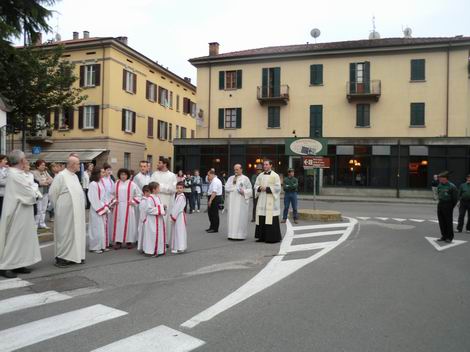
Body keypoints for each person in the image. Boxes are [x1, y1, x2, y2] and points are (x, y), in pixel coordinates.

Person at [0, 150, 41, 278]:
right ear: (20, 161)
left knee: (23, 239)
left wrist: (33, 188)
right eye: (24, 158)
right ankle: (5, 266)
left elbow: (31, 187)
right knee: (14, 239)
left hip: (23, 211)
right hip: (16, 212)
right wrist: (34, 189)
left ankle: (19, 263)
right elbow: (30, 193)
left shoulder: (19, 173)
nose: (25, 160)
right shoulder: (15, 174)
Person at [49, 155, 87, 267]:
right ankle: (62, 257)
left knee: (76, 233)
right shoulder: (61, 176)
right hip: (65, 213)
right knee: (64, 234)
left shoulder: (74, 176)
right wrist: (59, 208)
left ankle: (74, 256)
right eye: (78, 163)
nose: (79, 165)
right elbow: (53, 193)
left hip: (77, 212)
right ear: (71, 164)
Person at [111, 168, 141, 249]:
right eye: (121, 174)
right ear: (119, 175)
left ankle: (129, 241)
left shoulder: (132, 184)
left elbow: (139, 195)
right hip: (119, 207)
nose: (123, 176)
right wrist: (114, 201)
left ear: (127, 175)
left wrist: (133, 201)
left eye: (124, 174)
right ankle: (118, 241)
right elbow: (111, 194)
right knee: (118, 224)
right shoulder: (116, 183)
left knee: (129, 224)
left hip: (128, 207)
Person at [254, 160, 282, 243]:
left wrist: (267, 189)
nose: (265, 166)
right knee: (261, 217)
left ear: (271, 165)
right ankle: (261, 237)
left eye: (266, 164)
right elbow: (255, 185)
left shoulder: (275, 175)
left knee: (270, 217)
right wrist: (259, 188)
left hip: (270, 200)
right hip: (262, 199)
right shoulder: (260, 175)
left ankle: (272, 238)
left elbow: (278, 187)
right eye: (264, 165)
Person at [150, 158, 177, 246]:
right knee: (156, 220)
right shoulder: (154, 174)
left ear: (165, 164)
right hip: (156, 200)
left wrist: (159, 186)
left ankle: (165, 241)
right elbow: (151, 186)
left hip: (167, 200)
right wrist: (165, 187)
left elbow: (172, 189)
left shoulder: (172, 175)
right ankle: (155, 240)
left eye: (159, 163)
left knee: (166, 221)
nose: (157, 164)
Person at [87, 167, 113, 254]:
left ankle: (102, 245)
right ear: (97, 173)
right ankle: (94, 247)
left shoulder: (101, 183)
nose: (104, 173)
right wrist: (102, 208)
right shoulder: (93, 184)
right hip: (96, 209)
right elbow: (93, 198)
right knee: (96, 228)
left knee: (102, 228)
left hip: (102, 208)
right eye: (102, 172)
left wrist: (106, 205)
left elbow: (105, 196)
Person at [225, 164, 253, 240]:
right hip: (232, 202)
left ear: (241, 169)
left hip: (241, 202)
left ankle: (240, 235)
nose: (235, 171)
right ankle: (231, 235)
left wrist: (243, 191)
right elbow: (226, 187)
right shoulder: (231, 178)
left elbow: (250, 190)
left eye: (237, 169)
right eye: (234, 170)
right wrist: (233, 188)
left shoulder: (245, 179)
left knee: (240, 218)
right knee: (232, 217)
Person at [142, 182, 167, 256]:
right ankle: (151, 251)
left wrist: (163, 207)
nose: (159, 189)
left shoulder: (157, 197)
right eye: (158, 188)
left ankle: (159, 250)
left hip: (158, 219)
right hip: (152, 220)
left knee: (159, 234)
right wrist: (161, 208)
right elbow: (149, 209)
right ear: (154, 189)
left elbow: (159, 207)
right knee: (152, 235)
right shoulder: (150, 198)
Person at [436, 171, 458, 243]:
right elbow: (438, 194)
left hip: (448, 204)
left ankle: (449, 237)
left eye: (440, 178)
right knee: (441, 221)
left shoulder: (452, 186)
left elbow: (455, 199)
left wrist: (451, 206)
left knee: (448, 222)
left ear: (445, 178)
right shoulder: (440, 185)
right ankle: (444, 236)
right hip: (440, 204)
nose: (439, 179)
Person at [32, 160, 53, 229]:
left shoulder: (45, 172)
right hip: (39, 193)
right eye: (42, 165)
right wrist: (46, 181)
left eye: (44, 165)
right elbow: (39, 182)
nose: (44, 166)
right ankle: (36, 224)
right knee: (39, 209)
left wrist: (46, 181)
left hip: (46, 192)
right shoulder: (34, 172)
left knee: (44, 209)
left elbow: (51, 180)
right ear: (38, 166)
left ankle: (42, 223)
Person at [170, 181, 187, 253]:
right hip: (178, 215)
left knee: (179, 231)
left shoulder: (181, 197)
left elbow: (177, 207)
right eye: (177, 188)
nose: (179, 189)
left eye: (180, 188)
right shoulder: (178, 195)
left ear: (183, 189)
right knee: (178, 230)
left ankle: (180, 247)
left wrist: (173, 216)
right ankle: (179, 246)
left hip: (179, 215)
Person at [101, 163, 115, 246]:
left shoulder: (111, 180)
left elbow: (113, 192)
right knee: (104, 223)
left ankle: (109, 240)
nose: (109, 172)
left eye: (110, 170)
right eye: (107, 170)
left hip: (110, 203)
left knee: (110, 223)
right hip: (104, 203)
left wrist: (112, 201)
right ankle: (104, 241)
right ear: (104, 171)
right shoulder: (102, 180)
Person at [137, 185, 151, 252]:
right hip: (144, 220)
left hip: (148, 220)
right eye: (147, 192)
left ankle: (146, 247)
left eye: (149, 192)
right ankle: (142, 247)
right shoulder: (143, 201)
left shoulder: (149, 199)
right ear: (144, 192)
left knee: (147, 235)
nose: (148, 193)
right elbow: (142, 211)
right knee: (143, 234)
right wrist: (144, 219)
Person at [0, 154, 9, 219]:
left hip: (5, 194)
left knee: (3, 212)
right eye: (4, 160)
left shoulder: (4, 169)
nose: (6, 161)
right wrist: (9, 181)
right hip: (0, 194)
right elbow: (1, 182)